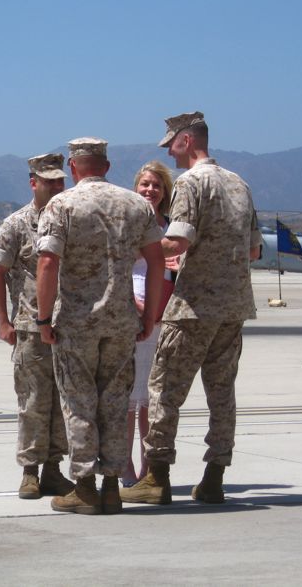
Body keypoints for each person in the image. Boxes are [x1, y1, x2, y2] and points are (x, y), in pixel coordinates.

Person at [121, 112, 262, 507]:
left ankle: (158, 477)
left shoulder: (190, 182)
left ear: (186, 140)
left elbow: (176, 241)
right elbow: (253, 249)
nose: (168, 150)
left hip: (194, 307)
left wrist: (130, 254)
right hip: (233, 307)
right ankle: (215, 476)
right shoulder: (240, 184)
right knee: (222, 394)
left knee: (163, 390)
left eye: (171, 142)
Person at [36, 138, 164, 515]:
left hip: (77, 322)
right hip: (122, 320)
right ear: (106, 166)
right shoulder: (136, 204)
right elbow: (157, 262)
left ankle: (85, 487)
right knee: (114, 402)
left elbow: (47, 263)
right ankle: (111, 484)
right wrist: (150, 316)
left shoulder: (62, 204)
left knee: (79, 402)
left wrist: (43, 319)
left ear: (74, 169)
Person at [0, 153, 75, 500]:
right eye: (48, 181)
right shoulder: (16, 223)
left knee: (63, 401)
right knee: (33, 401)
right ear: (33, 183)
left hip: (68, 324)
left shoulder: (72, 219)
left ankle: (54, 468)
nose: (55, 187)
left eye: (59, 181)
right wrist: (2, 321)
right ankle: (30, 471)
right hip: (29, 325)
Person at [122, 161, 177, 486]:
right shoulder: (129, 224)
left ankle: (147, 468)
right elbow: (118, 267)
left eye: (156, 185)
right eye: (144, 184)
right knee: (130, 398)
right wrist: (137, 305)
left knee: (151, 400)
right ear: (135, 187)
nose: (150, 190)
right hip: (135, 314)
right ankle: (125, 465)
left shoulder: (170, 227)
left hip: (163, 317)